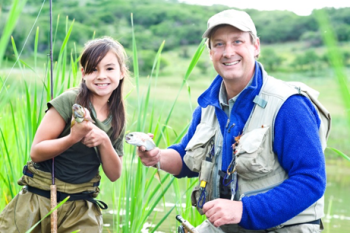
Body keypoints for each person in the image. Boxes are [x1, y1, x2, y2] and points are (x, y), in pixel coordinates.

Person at [137, 9, 330, 233]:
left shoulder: (288, 105)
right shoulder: (208, 104)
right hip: (228, 226)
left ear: (255, 46)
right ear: (210, 53)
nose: (228, 52)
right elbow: (185, 158)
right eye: (219, 44)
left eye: (237, 41)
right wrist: (157, 156)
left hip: (283, 227)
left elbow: (311, 180)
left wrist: (242, 210)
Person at [0, 36, 128, 232]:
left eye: (109, 68)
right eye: (93, 69)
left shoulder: (118, 117)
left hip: (81, 206)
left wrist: (103, 141)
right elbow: (36, 151)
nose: (101, 75)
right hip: (39, 198)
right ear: (84, 74)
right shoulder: (70, 100)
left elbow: (114, 174)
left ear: (121, 73)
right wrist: (72, 138)